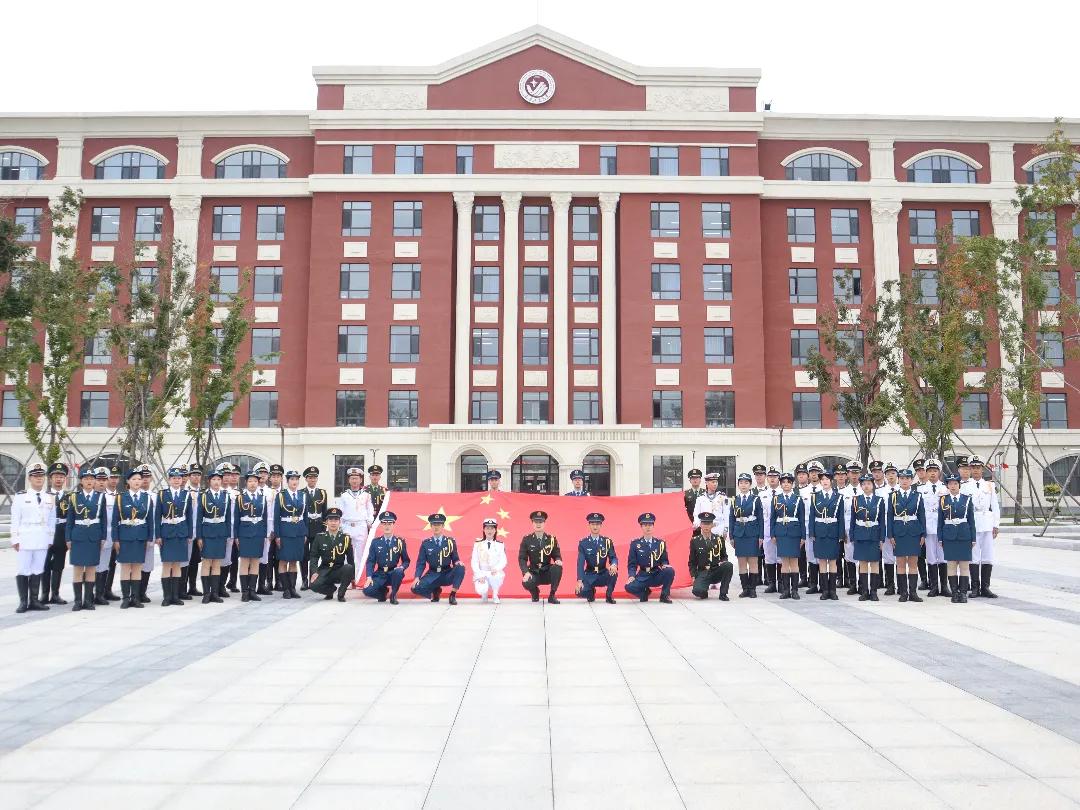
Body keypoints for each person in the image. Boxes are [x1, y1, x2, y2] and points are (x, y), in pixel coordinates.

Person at [11, 462, 55, 614]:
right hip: (25, 537)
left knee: (38, 569)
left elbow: (51, 520)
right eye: (35, 476)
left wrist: (50, 539)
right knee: (23, 569)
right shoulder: (21, 496)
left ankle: (34, 600)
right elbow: (15, 518)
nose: (39, 479)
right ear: (29, 478)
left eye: (41, 476)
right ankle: (23, 602)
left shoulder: (49, 497)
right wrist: (14, 538)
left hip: (42, 537)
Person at [66, 466, 107, 611]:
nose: (89, 481)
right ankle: (78, 601)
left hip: (94, 536)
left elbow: (103, 519)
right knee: (78, 569)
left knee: (90, 568)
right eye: (86, 479)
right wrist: (68, 538)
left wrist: (103, 537)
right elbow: (70, 520)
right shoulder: (74, 497)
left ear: (95, 481)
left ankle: (88, 600)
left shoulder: (100, 497)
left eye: (91, 479)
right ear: (81, 481)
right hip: (78, 536)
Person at [113, 469, 152, 609]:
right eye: (134, 479)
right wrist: (115, 539)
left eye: (139, 479)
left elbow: (150, 520)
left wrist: (149, 538)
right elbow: (115, 520)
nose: (137, 481)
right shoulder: (120, 497)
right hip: (125, 536)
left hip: (140, 536)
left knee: (136, 567)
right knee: (125, 567)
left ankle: (135, 598)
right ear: (128, 482)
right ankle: (125, 598)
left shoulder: (146, 498)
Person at [887, 468, 925, 604]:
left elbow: (921, 516)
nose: (904, 481)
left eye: (907, 478)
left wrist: (923, 534)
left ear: (911, 480)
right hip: (899, 532)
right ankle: (903, 592)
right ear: (899, 480)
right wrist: (890, 535)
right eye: (902, 478)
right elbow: (890, 517)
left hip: (914, 532)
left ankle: (913, 592)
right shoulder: (893, 496)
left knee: (913, 564)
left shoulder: (918, 496)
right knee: (901, 564)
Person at [157, 467, 194, 607]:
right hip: (167, 531)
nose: (177, 480)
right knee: (167, 564)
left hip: (181, 531)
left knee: (177, 564)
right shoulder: (162, 494)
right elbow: (157, 516)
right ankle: (167, 596)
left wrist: (190, 533)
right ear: (169, 479)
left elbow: (189, 515)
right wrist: (158, 535)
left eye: (179, 478)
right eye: (174, 478)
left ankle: (175, 595)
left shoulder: (186, 494)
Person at [964, 455, 1000, 598]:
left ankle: (985, 587)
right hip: (972, 523)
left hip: (987, 522)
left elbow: (995, 507)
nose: (976, 470)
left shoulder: (990, 485)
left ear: (982, 469)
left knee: (987, 556)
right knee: (973, 556)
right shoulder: (965, 486)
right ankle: (974, 587)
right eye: (973, 468)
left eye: (978, 468)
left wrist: (996, 524)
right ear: (970, 469)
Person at [939, 473, 976, 603]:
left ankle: (964, 593)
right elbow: (940, 521)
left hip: (964, 534)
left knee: (964, 566)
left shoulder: (967, 499)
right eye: (950, 484)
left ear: (959, 485)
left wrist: (973, 538)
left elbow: (971, 520)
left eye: (955, 483)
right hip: (949, 535)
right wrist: (940, 538)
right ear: (947, 485)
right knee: (951, 565)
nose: (953, 486)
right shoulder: (943, 499)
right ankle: (955, 593)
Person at [411, 513, 465, 604]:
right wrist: (417, 577)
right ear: (431, 526)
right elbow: (421, 563)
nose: (436, 527)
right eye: (434, 525)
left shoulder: (450, 542)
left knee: (461, 568)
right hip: (432, 574)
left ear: (443, 526)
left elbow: (455, 559)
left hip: (447, 573)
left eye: (439, 525)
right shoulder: (426, 543)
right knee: (415, 588)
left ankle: (452, 595)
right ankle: (435, 591)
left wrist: (458, 562)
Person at [196, 469, 232, 603]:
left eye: (218, 479)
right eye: (214, 480)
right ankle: (206, 593)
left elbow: (228, 517)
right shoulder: (204, 496)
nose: (216, 482)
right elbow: (199, 518)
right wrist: (199, 536)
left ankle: (215, 593)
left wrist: (227, 534)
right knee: (207, 562)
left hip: (220, 532)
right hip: (207, 532)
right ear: (209, 481)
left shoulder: (225, 496)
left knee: (217, 563)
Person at [808, 468, 843, 600]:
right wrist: (812, 532)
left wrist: (841, 534)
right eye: (822, 479)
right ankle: (825, 590)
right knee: (822, 561)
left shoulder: (838, 497)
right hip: (820, 531)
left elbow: (840, 517)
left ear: (831, 481)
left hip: (833, 531)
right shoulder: (815, 496)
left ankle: (832, 591)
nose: (825, 481)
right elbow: (812, 515)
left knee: (833, 561)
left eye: (827, 479)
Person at [233, 470, 268, 602]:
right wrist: (236, 536)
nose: (253, 484)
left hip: (258, 532)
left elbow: (264, 518)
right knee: (245, 561)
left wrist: (264, 535)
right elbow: (236, 518)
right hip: (244, 532)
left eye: (255, 481)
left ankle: (252, 590)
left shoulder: (262, 498)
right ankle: (244, 591)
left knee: (255, 561)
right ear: (246, 482)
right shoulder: (240, 497)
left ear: (258, 483)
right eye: (250, 481)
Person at [850, 473, 885, 602]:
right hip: (860, 534)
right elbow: (853, 520)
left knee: (875, 563)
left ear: (873, 485)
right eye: (863, 484)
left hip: (874, 534)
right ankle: (864, 591)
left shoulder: (879, 500)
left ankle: (874, 591)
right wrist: (852, 536)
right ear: (861, 486)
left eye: (869, 483)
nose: (866, 486)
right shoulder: (856, 500)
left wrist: (882, 538)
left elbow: (882, 521)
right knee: (863, 563)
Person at [625, 512, 675, 603]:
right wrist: (631, 575)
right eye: (645, 525)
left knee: (670, 570)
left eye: (650, 525)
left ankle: (664, 595)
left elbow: (664, 560)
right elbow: (632, 564)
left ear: (653, 526)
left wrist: (664, 565)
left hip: (656, 574)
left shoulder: (660, 543)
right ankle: (644, 593)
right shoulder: (635, 544)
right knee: (628, 587)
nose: (648, 527)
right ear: (641, 527)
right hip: (643, 575)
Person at [363, 511, 410, 604]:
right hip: (380, 574)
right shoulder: (375, 542)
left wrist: (402, 567)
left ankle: (393, 594)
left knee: (398, 572)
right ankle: (382, 593)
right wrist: (369, 577)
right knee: (367, 591)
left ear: (393, 525)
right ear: (381, 525)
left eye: (389, 523)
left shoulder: (400, 542)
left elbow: (406, 561)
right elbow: (370, 561)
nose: (387, 526)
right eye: (384, 524)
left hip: (393, 573)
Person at [771, 472, 805, 600]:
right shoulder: (776, 498)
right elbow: (773, 518)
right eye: (783, 482)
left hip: (794, 532)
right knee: (784, 562)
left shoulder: (797, 498)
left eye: (788, 482)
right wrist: (773, 534)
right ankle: (786, 590)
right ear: (780, 484)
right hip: (781, 532)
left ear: (792, 484)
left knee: (794, 562)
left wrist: (803, 536)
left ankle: (795, 590)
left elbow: (801, 518)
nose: (786, 484)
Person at [309, 507, 355, 602]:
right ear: (326, 522)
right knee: (313, 585)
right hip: (324, 569)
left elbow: (350, 558)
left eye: (336, 520)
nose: (333, 523)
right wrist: (314, 572)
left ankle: (341, 593)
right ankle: (330, 590)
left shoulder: (345, 538)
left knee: (349, 568)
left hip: (339, 570)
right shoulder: (319, 537)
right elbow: (314, 556)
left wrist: (352, 576)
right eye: (330, 520)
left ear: (339, 522)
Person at [274, 470, 308, 599]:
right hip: (285, 531)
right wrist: (277, 535)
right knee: (283, 561)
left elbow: (304, 516)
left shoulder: (302, 495)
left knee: (294, 561)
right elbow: (276, 516)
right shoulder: (281, 496)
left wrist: (305, 532)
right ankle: (286, 589)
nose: (295, 482)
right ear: (287, 481)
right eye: (292, 479)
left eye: (296, 479)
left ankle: (293, 588)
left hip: (298, 531)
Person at [40, 462, 70, 605]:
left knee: (58, 564)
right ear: (50, 478)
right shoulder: (44, 496)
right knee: (44, 564)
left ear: (65, 479)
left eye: (61, 476)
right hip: (46, 532)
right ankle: (44, 594)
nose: (58, 479)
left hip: (62, 531)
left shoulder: (70, 497)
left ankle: (55, 594)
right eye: (56, 476)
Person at [919, 459, 949, 598]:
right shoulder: (920, 489)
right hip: (928, 527)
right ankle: (933, 586)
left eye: (935, 471)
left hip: (942, 527)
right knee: (931, 556)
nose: (932, 473)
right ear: (926, 472)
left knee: (943, 556)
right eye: (930, 471)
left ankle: (944, 586)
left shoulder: (946, 488)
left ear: (939, 472)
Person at [730, 472, 764, 598]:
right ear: (738, 485)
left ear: (750, 484)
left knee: (753, 561)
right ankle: (745, 588)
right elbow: (731, 519)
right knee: (742, 561)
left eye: (746, 483)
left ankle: (753, 589)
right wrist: (731, 536)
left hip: (752, 532)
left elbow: (760, 518)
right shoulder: (735, 499)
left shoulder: (756, 499)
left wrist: (761, 536)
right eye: (741, 483)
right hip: (739, 533)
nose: (743, 485)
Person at [519, 510, 563, 603]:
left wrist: (558, 560)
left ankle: (552, 595)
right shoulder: (527, 539)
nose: (538, 524)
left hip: (547, 572)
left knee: (558, 568)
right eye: (536, 522)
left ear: (544, 523)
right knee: (526, 582)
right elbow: (522, 558)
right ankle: (535, 592)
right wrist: (526, 572)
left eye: (541, 522)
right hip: (534, 572)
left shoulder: (551, 539)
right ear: (532, 523)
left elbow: (556, 555)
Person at [337, 466, 374, 579]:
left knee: (361, 554)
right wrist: (341, 526)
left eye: (356, 478)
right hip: (347, 526)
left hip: (361, 526)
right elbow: (340, 512)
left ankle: (359, 578)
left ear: (361, 480)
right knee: (347, 553)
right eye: (352, 478)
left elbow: (370, 510)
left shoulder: (366, 495)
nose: (354, 480)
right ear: (349, 480)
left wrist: (369, 522)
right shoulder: (344, 495)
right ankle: (347, 578)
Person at [688, 511, 733, 600]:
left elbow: (724, 556)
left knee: (728, 565)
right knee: (697, 591)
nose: (706, 526)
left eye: (708, 524)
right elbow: (692, 562)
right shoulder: (695, 541)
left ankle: (723, 594)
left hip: (716, 571)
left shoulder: (719, 539)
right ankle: (704, 590)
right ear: (700, 525)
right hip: (702, 572)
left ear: (712, 525)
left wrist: (723, 561)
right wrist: (693, 576)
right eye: (704, 523)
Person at [575, 512, 617, 604]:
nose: (595, 526)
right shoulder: (583, 543)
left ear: (601, 525)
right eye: (593, 524)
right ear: (589, 525)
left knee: (614, 572)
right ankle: (591, 592)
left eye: (597, 524)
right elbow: (580, 563)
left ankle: (609, 595)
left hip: (603, 573)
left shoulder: (607, 541)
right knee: (580, 592)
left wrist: (613, 564)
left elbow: (613, 557)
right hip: (590, 574)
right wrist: (579, 580)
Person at [93, 466, 119, 606]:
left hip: (108, 535)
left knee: (105, 565)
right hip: (91, 536)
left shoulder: (111, 497)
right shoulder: (88, 496)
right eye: (99, 479)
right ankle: (89, 594)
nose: (102, 482)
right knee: (90, 565)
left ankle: (101, 593)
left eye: (104, 479)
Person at [300, 465, 328, 590]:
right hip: (306, 527)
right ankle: (304, 579)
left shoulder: (322, 493)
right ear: (306, 479)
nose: (312, 480)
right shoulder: (301, 493)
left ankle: (314, 579)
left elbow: (325, 513)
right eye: (310, 478)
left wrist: (324, 530)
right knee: (304, 555)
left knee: (316, 555)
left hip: (318, 527)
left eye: (314, 478)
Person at [799, 463, 823, 594]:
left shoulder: (825, 489)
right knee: (810, 555)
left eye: (816, 471)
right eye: (812, 472)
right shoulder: (802, 492)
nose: (814, 474)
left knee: (822, 555)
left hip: (822, 527)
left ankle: (824, 583)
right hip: (808, 527)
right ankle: (813, 583)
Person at [471, 518, 507, 602]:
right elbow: (474, 561)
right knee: (481, 589)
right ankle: (484, 593)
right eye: (487, 528)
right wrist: (479, 574)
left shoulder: (500, 545)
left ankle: (495, 594)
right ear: (484, 530)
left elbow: (503, 560)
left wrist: (497, 568)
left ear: (495, 530)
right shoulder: (477, 544)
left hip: (494, 571)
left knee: (496, 576)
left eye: (492, 528)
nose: (489, 531)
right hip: (482, 571)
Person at [759, 466, 782, 593]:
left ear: (779, 478)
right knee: (769, 557)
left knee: (781, 557)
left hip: (780, 530)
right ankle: (771, 583)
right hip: (767, 530)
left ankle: (782, 583)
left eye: (775, 477)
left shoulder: (783, 493)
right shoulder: (762, 495)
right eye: (770, 477)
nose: (772, 479)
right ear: (767, 478)